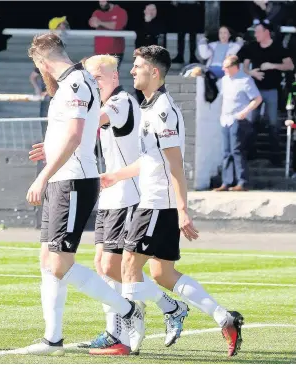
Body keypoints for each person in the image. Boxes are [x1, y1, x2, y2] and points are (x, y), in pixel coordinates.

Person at [101, 45, 244, 356]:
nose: (132, 70)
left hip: (156, 203)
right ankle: (225, 317)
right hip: (153, 201)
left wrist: (182, 209)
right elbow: (151, 161)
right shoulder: (149, 108)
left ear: (154, 71)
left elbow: (175, 164)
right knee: (162, 274)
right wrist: (115, 176)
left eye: (137, 66)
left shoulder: (164, 110)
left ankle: (128, 339)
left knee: (127, 264)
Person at [15, 33, 145, 356]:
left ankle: (127, 310)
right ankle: (52, 339)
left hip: (72, 181)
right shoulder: (75, 81)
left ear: (43, 61)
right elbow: (75, 131)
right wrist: (49, 150)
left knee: (59, 263)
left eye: (38, 65)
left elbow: (75, 137)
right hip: (64, 178)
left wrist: (42, 176)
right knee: (47, 259)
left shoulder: (74, 83)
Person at [69, 54, 189, 355]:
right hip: (111, 194)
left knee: (112, 266)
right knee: (103, 266)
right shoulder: (108, 100)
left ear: (113, 78)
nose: (92, 84)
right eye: (89, 78)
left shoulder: (121, 101)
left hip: (128, 195)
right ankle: (116, 331)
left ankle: (165, 306)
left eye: (97, 77)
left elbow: (90, 124)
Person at [237, 21, 294, 165]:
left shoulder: (277, 47)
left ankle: (275, 156)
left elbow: (290, 65)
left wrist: (272, 66)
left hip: (272, 90)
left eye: (258, 32)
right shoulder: (252, 47)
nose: (255, 34)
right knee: (252, 121)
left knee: (273, 122)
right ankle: (251, 153)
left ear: (266, 32)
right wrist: (251, 73)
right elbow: (243, 66)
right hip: (255, 91)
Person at [213, 55, 262, 192]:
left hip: (238, 119)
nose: (224, 69)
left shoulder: (245, 80)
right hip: (226, 119)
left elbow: (257, 99)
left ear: (235, 67)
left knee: (236, 150)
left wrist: (245, 111)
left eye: (227, 66)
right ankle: (227, 182)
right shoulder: (224, 80)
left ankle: (242, 181)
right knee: (226, 151)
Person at [89, 1, 128, 68]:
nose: (101, 4)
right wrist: (96, 22)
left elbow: (117, 26)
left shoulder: (120, 11)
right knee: (100, 75)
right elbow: (92, 23)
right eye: (100, 2)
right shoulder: (97, 12)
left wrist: (100, 23)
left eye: (103, 2)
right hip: (99, 52)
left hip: (115, 52)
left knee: (111, 75)